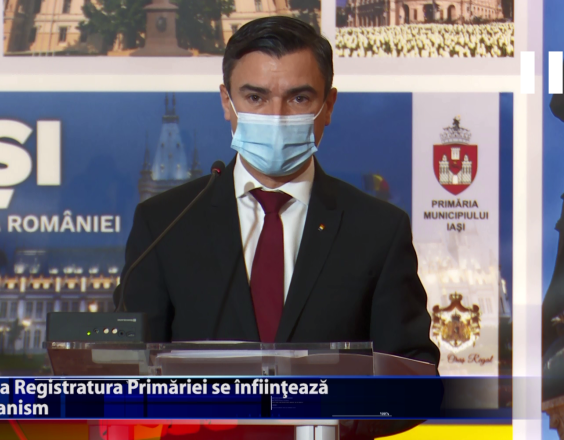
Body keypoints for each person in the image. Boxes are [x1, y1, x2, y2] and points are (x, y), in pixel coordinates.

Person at [116, 17, 439, 367]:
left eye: (298, 98)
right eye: (255, 97)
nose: (276, 116)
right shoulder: (164, 225)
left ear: (328, 106)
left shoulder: (378, 230)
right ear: (226, 101)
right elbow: (127, 367)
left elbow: (410, 371)